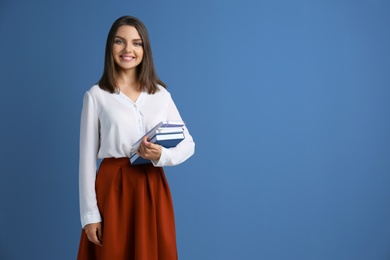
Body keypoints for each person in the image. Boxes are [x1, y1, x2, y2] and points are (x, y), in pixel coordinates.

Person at [77, 15, 195, 260]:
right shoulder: (96, 95)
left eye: (136, 43)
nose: (128, 49)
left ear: (145, 49)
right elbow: (87, 160)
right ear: (111, 46)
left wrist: (163, 155)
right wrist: (90, 216)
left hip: (152, 186)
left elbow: (188, 144)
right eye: (120, 41)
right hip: (113, 188)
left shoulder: (160, 94)